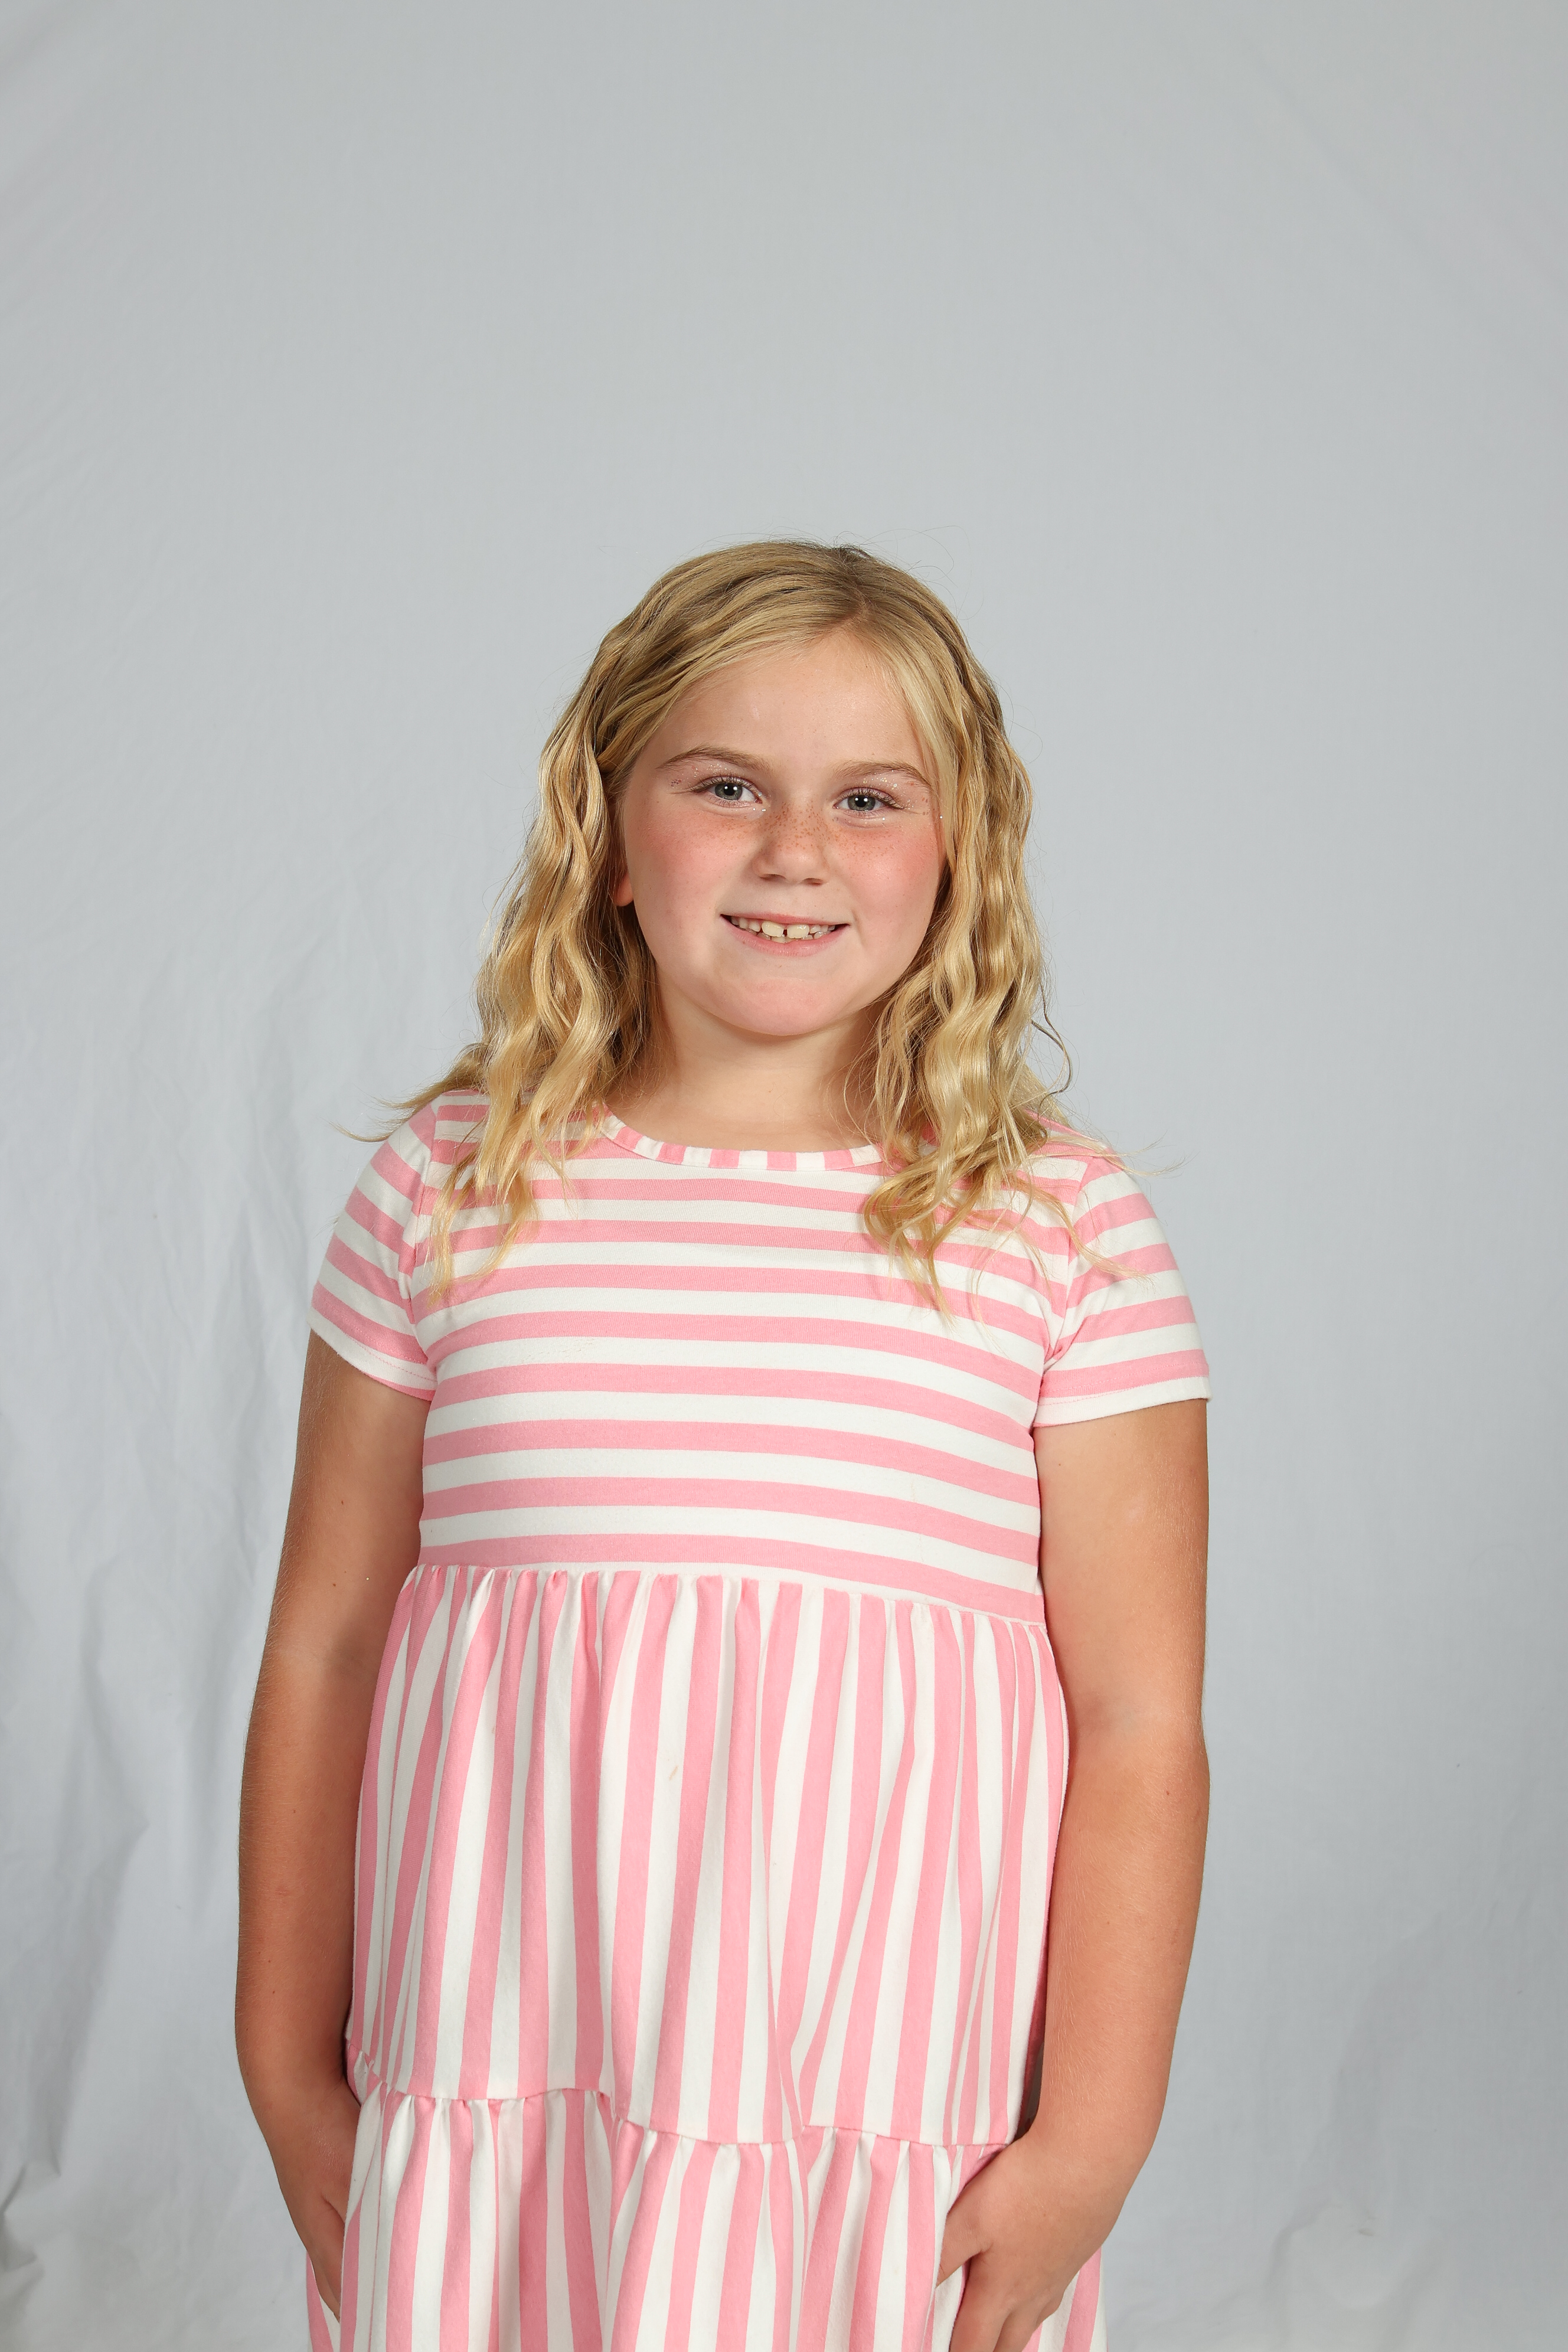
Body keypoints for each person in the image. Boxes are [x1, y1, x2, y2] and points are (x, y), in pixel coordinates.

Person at [235, 541, 1211, 2352]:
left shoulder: (1057, 1229)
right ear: (612, 836)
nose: (794, 851)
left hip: (878, 2094)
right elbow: (327, 1644)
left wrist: (1096, 2134)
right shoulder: (452, 1191)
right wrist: (285, 2062)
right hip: (510, 2069)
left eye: (868, 798)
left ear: (958, 850)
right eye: (726, 787)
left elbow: (1141, 1718)